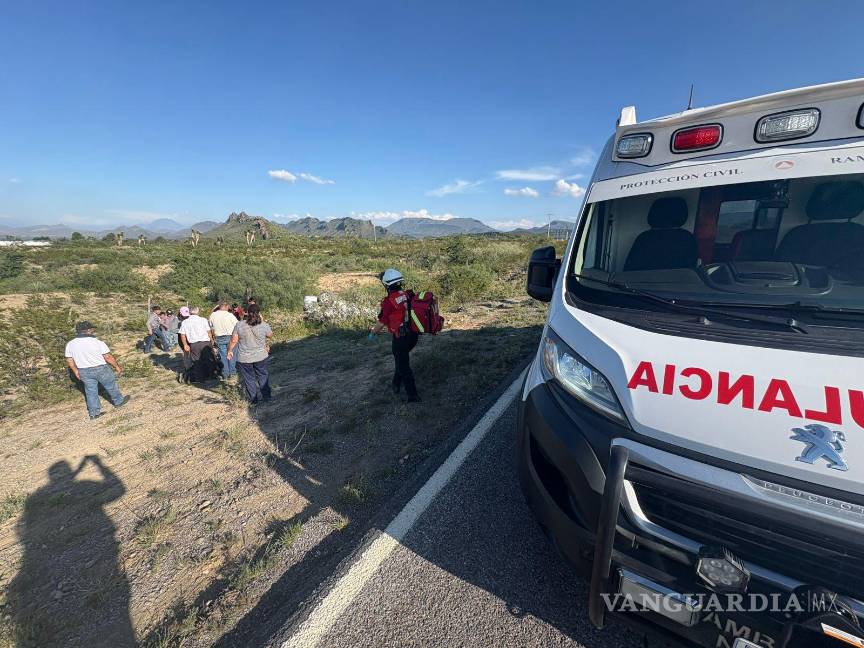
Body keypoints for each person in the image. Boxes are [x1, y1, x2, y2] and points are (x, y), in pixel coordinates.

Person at [369, 268, 420, 402]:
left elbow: (382, 322)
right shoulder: (407, 294)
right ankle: (396, 384)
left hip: (400, 338)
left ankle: (413, 396)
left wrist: (373, 332)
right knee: (400, 360)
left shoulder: (389, 301)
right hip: (413, 335)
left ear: (387, 285)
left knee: (403, 366)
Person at [65, 321, 130, 419]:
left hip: (84, 370)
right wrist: (117, 367)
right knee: (110, 385)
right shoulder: (97, 342)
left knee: (90, 391)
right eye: (91, 329)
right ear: (88, 330)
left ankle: (94, 413)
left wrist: (75, 371)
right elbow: (107, 357)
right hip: (100, 368)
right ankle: (118, 401)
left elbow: (69, 359)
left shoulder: (70, 344)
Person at [227, 304, 273, 404]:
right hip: (260, 356)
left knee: (249, 379)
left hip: (244, 358)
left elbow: (234, 340)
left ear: (247, 312)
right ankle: (267, 396)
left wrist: (230, 350)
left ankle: (253, 400)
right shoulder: (263, 324)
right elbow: (269, 335)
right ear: (259, 313)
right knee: (262, 376)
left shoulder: (239, 325)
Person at [178, 306, 215, 381]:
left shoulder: (185, 322)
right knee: (209, 360)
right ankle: (211, 375)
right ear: (198, 312)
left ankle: (200, 378)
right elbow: (208, 331)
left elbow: (182, 334)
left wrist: (185, 344)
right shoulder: (203, 320)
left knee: (197, 361)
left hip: (194, 344)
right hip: (205, 343)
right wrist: (211, 340)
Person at [209, 301, 239, 378]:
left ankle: (225, 372)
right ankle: (232, 372)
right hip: (231, 336)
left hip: (219, 337)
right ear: (226, 307)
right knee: (232, 354)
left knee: (223, 355)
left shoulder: (213, 315)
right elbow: (237, 325)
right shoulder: (230, 315)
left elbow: (210, 325)